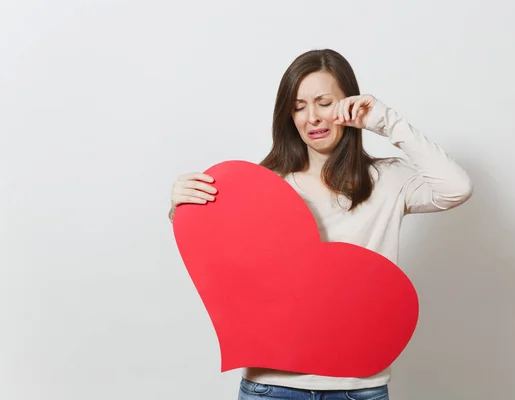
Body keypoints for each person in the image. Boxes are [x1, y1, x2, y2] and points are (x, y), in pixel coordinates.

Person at [169, 49, 472, 400]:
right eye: (298, 107)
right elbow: (221, 258)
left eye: (324, 102)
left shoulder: (387, 179)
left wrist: (386, 121)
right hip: (272, 387)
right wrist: (183, 206)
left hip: (358, 389)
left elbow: (457, 187)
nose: (312, 117)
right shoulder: (263, 185)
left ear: (350, 104)